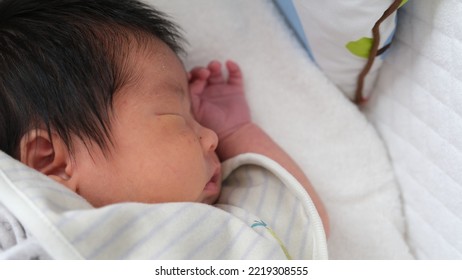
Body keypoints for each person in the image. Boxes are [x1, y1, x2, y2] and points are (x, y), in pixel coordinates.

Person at [0, 0, 328, 236]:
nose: (212, 137)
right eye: (176, 115)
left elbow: (297, 217)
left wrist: (237, 130)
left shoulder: (214, 235)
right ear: (50, 161)